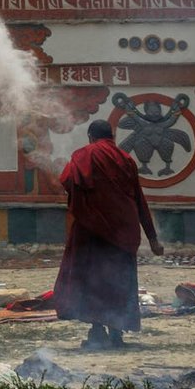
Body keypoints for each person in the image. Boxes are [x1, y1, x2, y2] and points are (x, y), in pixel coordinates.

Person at [53, 119, 164, 350]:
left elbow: (67, 181)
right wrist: (152, 237)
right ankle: (116, 332)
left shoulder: (84, 155)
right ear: (112, 136)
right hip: (124, 230)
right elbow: (138, 199)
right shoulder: (127, 160)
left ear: (91, 137)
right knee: (119, 281)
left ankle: (97, 331)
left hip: (93, 229)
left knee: (93, 280)